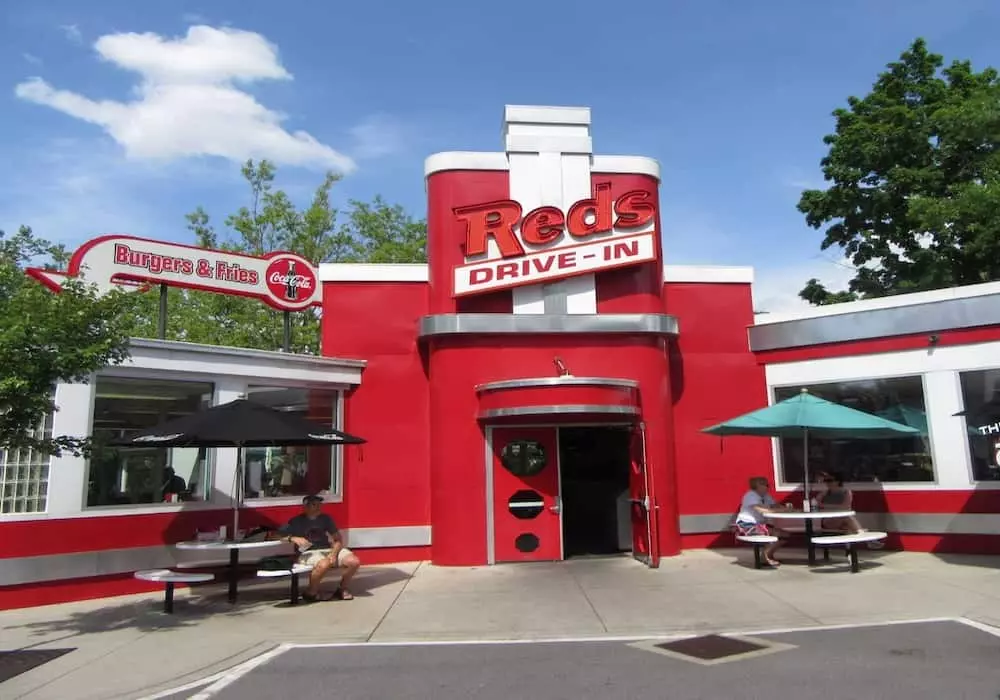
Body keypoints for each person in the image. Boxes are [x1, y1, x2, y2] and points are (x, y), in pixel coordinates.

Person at [271, 495, 362, 601]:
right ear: (305, 507)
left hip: (327, 549)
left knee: (354, 562)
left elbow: (338, 539)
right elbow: (274, 536)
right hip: (308, 552)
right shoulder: (295, 521)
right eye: (314, 504)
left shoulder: (326, 519)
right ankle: (311, 592)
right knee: (324, 564)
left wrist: (333, 553)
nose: (319, 507)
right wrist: (292, 538)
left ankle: (342, 588)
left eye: (320, 504)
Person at [816, 472, 883, 549]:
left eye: (830, 480)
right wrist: (833, 506)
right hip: (828, 521)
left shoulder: (846, 492)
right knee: (847, 517)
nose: (827, 483)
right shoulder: (824, 493)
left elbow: (846, 506)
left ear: (838, 481)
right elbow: (817, 504)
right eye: (826, 481)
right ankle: (866, 537)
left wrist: (826, 506)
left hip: (842, 520)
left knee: (849, 528)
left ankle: (851, 553)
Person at [734, 476, 789, 567]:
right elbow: (761, 510)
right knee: (776, 533)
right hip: (746, 525)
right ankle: (764, 558)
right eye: (765, 485)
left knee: (786, 535)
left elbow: (775, 505)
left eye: (768, 485)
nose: (768, 487)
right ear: (757, 486)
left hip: (760, 524)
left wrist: (788, 509)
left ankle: (769, 555)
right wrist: (782, 510)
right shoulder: (750, 495)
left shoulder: (766, 496)